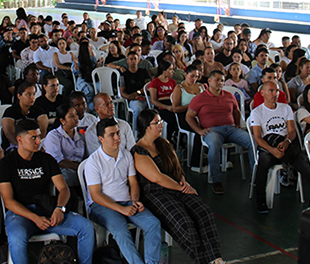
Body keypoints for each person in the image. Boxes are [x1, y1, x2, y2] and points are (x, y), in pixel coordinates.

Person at [131, 110, 224, 264]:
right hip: (155, 194)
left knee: (204, 213)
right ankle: (204, 260)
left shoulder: (164, 144)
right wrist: (181, 188)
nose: (161, 125)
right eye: (157, 123)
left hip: (176, 186)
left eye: (161, 121)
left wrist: (183, 182)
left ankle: (216, 258)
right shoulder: (139, 152)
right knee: (184, 223)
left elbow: (176, 168)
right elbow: (158, 178)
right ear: (146, 127)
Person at [0, 119, 95, 264]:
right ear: (20, 140)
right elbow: (8, 201)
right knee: (16, 239)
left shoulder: (46, 159)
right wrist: (34, 218)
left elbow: (63, 189)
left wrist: (59, 208)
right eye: (33, 138)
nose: (38, 142)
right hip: (21, 213)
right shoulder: (7, 164)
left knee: (86, 227)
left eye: (38, 137)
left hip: (46, 209)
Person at [85, 117, 162, 264]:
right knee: (121, 232)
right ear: (101, 139)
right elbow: (95, 195)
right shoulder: (93, 162)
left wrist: (135, 201)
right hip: (102, 206)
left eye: (118, 133)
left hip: (127, 202)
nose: (117, 138)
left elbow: (133, 183)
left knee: (153, 224)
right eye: (111, 135)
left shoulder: (126, 155)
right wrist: (121, 209)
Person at [186, 70, 255, 195]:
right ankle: (216, 180)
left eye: (222, 80)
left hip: (231, 128)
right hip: (212, 130)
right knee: (215, 144)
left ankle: (254, 176)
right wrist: (199, 130)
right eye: (217, 80)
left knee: (252, 141)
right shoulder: (199, 98)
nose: (220, 83)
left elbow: (236, 111)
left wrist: (238, 124)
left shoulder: (229, 96)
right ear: (209, 81)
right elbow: (189, 117)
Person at [249, 81, 310, 213]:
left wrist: (286, 142)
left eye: (277, 91)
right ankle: (260, 200)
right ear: (262, 93)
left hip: (286, 145)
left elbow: (292, 131)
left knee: (302, 161)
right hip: (268, 146)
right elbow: (258, 138)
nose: (275, 94)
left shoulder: (285, 108)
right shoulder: (257, 112)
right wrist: (273, 150)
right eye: (271, 91)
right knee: (264, 163)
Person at [43, 105, 86, 192]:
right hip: (63, 172)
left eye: (76, 115)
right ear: (63, 121)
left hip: (80, 170)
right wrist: (80, 168)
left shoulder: (81, 135)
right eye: (71, 116)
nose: (76, 118)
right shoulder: (54, 136)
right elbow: (58, 160)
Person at [1, 81, 49, 150]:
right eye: (28, 94)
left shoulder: (40, 112)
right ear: (19, 96)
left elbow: (42, 132)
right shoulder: (10, 112)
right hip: (15, 146)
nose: (32, 97)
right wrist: (23, 147)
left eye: (34, 94)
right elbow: (9, 134)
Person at [148, 60, 178, 140]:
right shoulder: (155, 82)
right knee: (172, 120)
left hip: (172, 103)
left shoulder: (173, 82)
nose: (173, 71)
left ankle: (177, 138)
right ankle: (168, 139)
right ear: (164, 71)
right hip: (160, 105)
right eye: (170, 69)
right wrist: (167, 107)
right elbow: (154, 101)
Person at [119, 51, 150, 128]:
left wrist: (138, 93)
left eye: (135, 59)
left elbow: (148, 85)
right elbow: (122, 92)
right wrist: (130, 97)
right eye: (131, 59)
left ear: (138, 60)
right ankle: (137, 130)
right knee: (138, 108)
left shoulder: (144, 72)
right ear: (127, 61)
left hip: (146, 96)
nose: (133, 61)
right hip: (134, 99)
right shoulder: (123, 76)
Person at [172, 66, 204, 131]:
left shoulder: (200, 86)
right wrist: (192, 106)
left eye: (196, 77)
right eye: (192, 76)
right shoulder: (179, 88)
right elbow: (175, 109)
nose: (194, 79)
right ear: (186, 75)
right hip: (186, 116)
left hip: (201, 114)